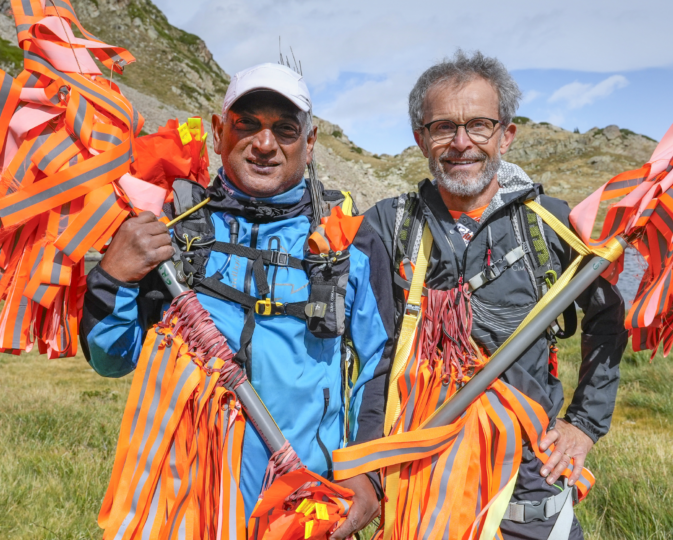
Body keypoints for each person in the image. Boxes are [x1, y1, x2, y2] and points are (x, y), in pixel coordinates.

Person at [80, 63, 390, 539]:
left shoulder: (347, 240)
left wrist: (367, 470)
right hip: (183, 503)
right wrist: (112, 276)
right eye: (247, 124)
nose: (265, 144)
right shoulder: (172, 228)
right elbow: (111, 360)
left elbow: (377, 361)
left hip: (299, 505)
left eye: (285, 130)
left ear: (309, 144)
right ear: (219, 131)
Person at [362, 50, 628, 539]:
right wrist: (366, 465)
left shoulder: (549, 222)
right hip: (419, 479)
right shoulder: (386, 225)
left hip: (530, 486)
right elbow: (367, 350)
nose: (462, 143)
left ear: (506, 134)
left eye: (479, 125)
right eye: (443, 127)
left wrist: (585, 424)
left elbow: (607, 317)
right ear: (421, 139)